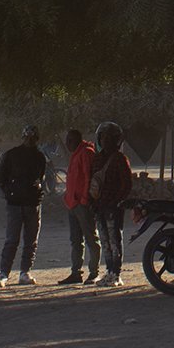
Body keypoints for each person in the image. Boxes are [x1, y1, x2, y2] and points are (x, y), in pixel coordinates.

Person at [0, 125, 47, 287]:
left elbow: (40, 178)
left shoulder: (39, 156)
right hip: (16, 203)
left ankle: (24, 272)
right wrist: (9, 193)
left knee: (30, 241)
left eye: (32, 138)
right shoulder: (12, 155)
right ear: (23, 138)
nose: (30, 140)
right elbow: (0, 177)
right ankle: (4, 273)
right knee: (12, 240)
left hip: (31, 203)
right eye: (28, 137)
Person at [91, 121, 135, 286]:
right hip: (99, 206)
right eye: (103, 137)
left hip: (113, 207)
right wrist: (93, 202)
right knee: (105, 240)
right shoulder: (97, 159)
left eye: (110, 138)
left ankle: (116, 273)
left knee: (115, 240)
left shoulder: (120, 159)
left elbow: (126, 184)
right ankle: (109, 270)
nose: (106, 141)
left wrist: (116, 201)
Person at [59, 128, 100, 284]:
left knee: (91, 238)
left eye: (70, 140)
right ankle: (76, 272)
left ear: (77, 139)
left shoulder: (86, 153)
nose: (68, 143)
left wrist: (84, 199)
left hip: (82, 204)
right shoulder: (75, 154)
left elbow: (88, 177)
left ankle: (94, 271)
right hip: (72, 203)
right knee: (76, 240)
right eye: (67, 140)